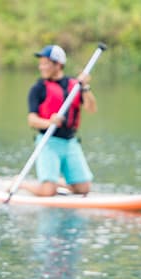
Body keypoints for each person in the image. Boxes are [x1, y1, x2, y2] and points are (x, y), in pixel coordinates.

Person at [21, 44, 97, 197]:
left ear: (58, 65)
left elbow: (91, 109)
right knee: (48, 192)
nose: (41, 67)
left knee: (84, 189)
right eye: (41, 63)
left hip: (70, 142)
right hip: (48, 142)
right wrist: (50, 122)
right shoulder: (38, 88)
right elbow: (32, 120)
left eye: (46, 63)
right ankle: (21, 182)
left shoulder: (75, 86)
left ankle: (57, 182)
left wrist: (85, 87)